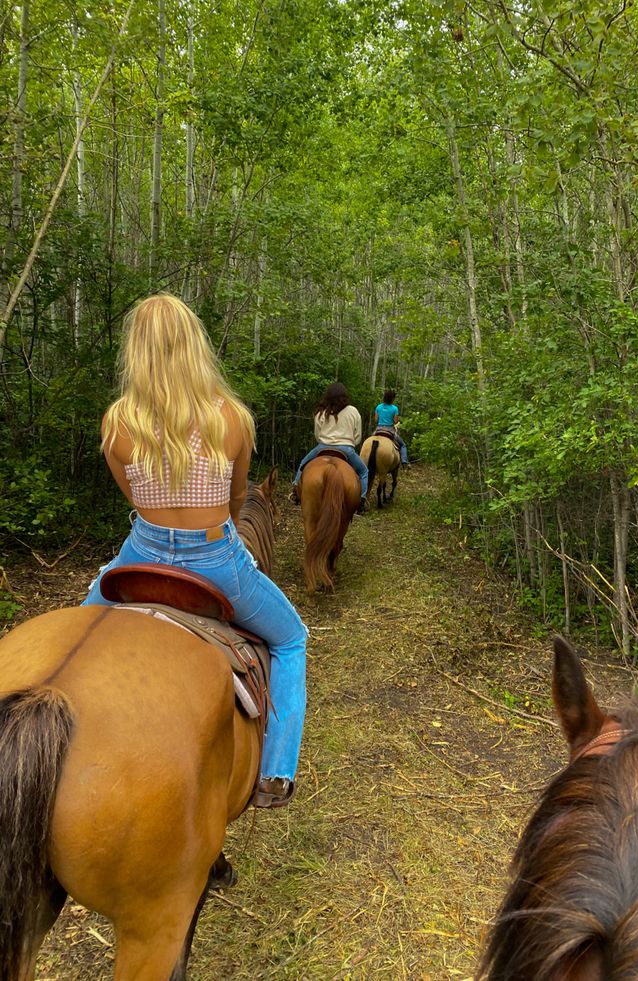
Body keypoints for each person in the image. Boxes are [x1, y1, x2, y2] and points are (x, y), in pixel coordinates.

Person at [81, 292, 307, 809]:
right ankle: (275, 772)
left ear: (135, 351)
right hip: (216, 560)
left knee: (76, 634)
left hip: (142, 554)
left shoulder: (118, 422)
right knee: (293, 638)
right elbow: (233, 503)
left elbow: (136, 500)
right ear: (194, 345)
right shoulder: (231, 419)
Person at [289, 382, 370, 512]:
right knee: (364, 472)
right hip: (346, 449)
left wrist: (325, 441)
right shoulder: (353, 411)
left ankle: (295, 492)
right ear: (344, 396)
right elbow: (358, 435)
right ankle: (361, 500)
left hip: (322, 447)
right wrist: (350, 443)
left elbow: (317, 434)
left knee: (303, 465)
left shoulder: (321, 412)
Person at [374, 388, 409, 466]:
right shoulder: (394, 408)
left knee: (369, 440)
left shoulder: (378, 407)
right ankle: (404, 461)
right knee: (403, 445)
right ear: (392, 398)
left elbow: (376, 420)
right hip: (390, 430)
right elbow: (396, 421)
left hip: (378, 429)